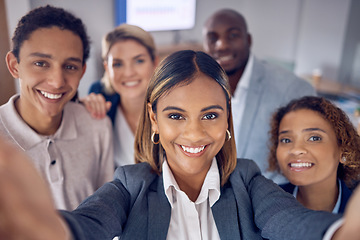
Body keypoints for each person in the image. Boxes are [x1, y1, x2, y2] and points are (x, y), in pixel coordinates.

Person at [1, 50, 360, 240]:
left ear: (227, 120)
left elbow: (288, 219)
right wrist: (46, 229)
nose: (193, 134)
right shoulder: (130, 184)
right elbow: (89, 221)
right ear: (154, 120)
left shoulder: (248, 180)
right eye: (175, 116)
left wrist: (340, 233)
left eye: (210, 115)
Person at [0, 5, 114, 211]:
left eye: (70, 66)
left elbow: (106, 209)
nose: (56, 81)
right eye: (41, 63)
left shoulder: (97, 126)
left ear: (82, 72)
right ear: (14, 65)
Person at [202, 9, 317, 184]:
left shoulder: (291, 89)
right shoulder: (201, 86)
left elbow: (309, 159)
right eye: (212, 38)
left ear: (248, 40)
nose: (221, 45)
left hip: (270, 196)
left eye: (232, 35)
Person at [81, 24, 157, 168]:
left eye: (139, 61)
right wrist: (82, 108)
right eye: (117, 64)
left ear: (154, 62)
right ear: (107, 69)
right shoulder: (101, 97)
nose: (128, 73)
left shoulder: (171, 103)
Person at [268, 96, 360, 213]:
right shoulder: (266, 205)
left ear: (343, 149)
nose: (296, 150)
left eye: (314, 138)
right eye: (286, 140)